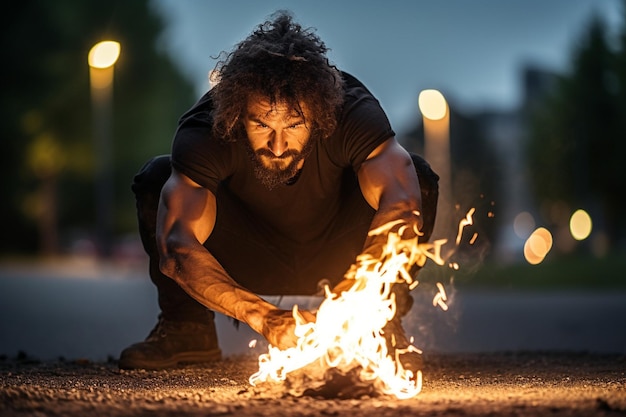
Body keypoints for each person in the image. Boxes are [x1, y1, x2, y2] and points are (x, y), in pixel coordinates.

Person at [119, 11, 439, 372]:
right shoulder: (206, 131)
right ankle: (186, 329)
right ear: (238, 116)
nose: (277, 143)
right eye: (260, 124)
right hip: (245, 256)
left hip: (340, 252)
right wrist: (265, 317)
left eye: (294, 124)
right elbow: (177, 249)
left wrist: (358, 301)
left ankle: (380, 326)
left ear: (318, 117)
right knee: (158, 178)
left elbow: (403, 206)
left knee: (416, 178)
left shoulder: (351, 112)